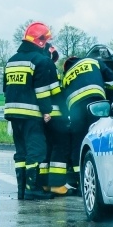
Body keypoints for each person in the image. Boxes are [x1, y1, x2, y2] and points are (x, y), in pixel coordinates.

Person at [3, 22, 59, 201]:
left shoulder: (11, 60)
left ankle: (21, 190)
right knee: (37, 150)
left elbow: (6, 88)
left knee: (21, 152)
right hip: (31, 114)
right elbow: (42, 91)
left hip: (12, 112)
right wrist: (47, 111)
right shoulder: (40, 61)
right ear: (41, 41)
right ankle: (32, 188)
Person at [61, 55, 109, 191]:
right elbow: (111, 80)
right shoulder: (92, 61)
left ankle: (80, 179)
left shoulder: (66, 76)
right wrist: (109, 97)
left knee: (78, 141)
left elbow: (63, 98)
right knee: (97, 137)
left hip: (76, 110)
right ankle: (99, 176)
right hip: (96, 103)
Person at [37, 42, 70, 196]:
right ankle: (57, 185)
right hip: (54, 114)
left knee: (47, 148)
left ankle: (45, 184)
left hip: (40, 115)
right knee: (60, 146)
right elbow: (55, 91)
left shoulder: (36, 64)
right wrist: (66, 110)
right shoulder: (48, 65)